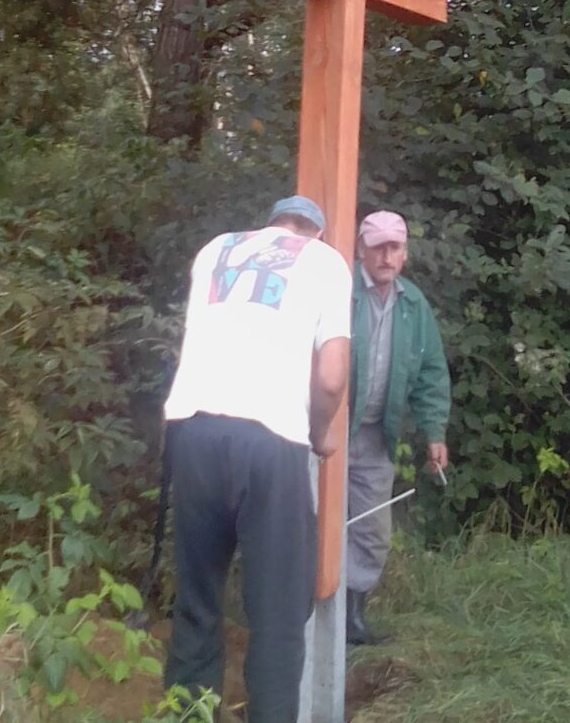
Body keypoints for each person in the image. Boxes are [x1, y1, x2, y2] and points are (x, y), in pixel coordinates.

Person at [162, 195, 352, 723]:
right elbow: (333, 376)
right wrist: (320, 434)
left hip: (194, 430)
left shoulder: (215, 250)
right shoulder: (324, 261)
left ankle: (188, 715)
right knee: (278, 616)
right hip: (271, 439)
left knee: (197, 602)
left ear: (270, 225)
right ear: (313, 232)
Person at [345, 210, 451, 646]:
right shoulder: (339, 291)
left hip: (375, 437)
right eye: (378, 247)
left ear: (405, 254)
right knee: (312, 523)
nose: (386, 256)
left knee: (371, 532)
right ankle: (306, 619)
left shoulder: (413, 304)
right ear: (360, 250)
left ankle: (351, 619)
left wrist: (434, 433)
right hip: (326, 433)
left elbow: (430, 372)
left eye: (395, 248)